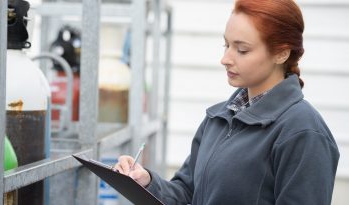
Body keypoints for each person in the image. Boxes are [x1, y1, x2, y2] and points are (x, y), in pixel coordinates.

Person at [114, 0, 340, 204]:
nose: (225, 59)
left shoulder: (303, 132)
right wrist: (147, 182)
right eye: (226, 45)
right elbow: (187, 193)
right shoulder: (219, 118)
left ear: (281, 54)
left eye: (242, 50)